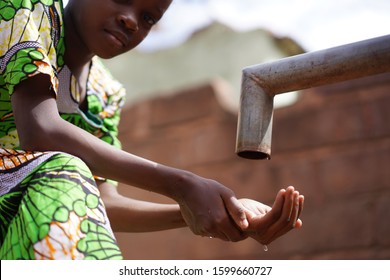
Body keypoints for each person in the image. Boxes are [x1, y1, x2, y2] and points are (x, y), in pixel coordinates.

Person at [0, 0, 304, 260]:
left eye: (148, 18)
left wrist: (210, 211)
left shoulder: (103, 93)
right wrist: (183, 185)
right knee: (65, 165)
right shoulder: (28, 9)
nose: (130, 21)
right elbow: (40, 129)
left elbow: (102, 201)